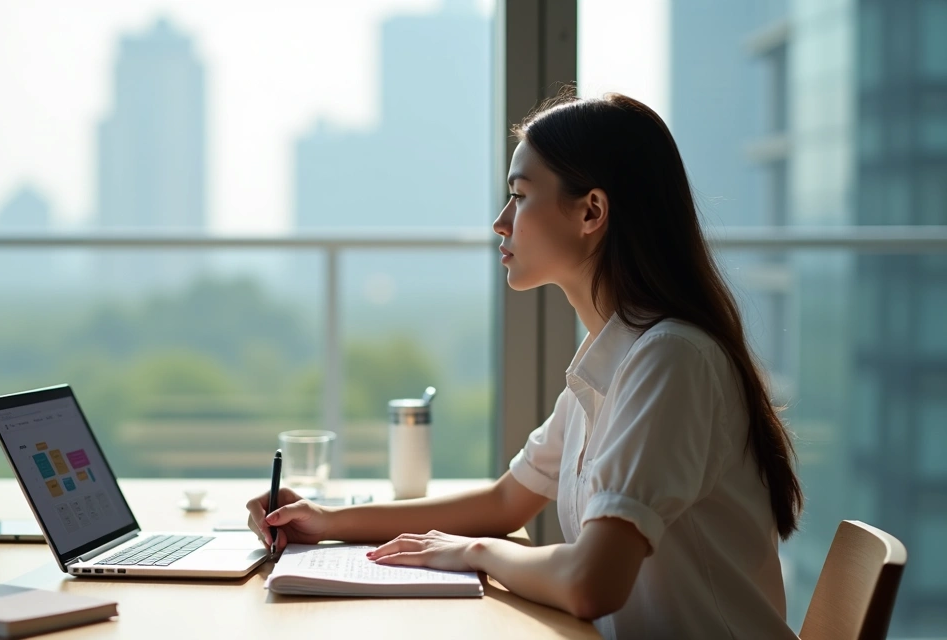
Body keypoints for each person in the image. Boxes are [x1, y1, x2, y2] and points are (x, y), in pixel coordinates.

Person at [246, 91, 803, 640]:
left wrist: (476, 552)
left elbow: (591, 583)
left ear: (591, 211)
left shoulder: (671, 360)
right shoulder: (613, 358)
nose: (500, 221)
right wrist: (325, 520)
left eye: (519, 195)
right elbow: (506, 501)